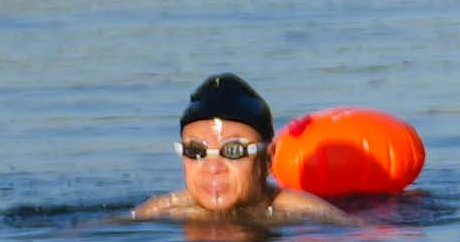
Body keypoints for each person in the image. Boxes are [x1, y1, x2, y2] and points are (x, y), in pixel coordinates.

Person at [133, 76, 349, 233]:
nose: (213, 167)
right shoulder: (158, 212)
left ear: (268, 160)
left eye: (233, 150)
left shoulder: (308, 215)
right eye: (195, 151)